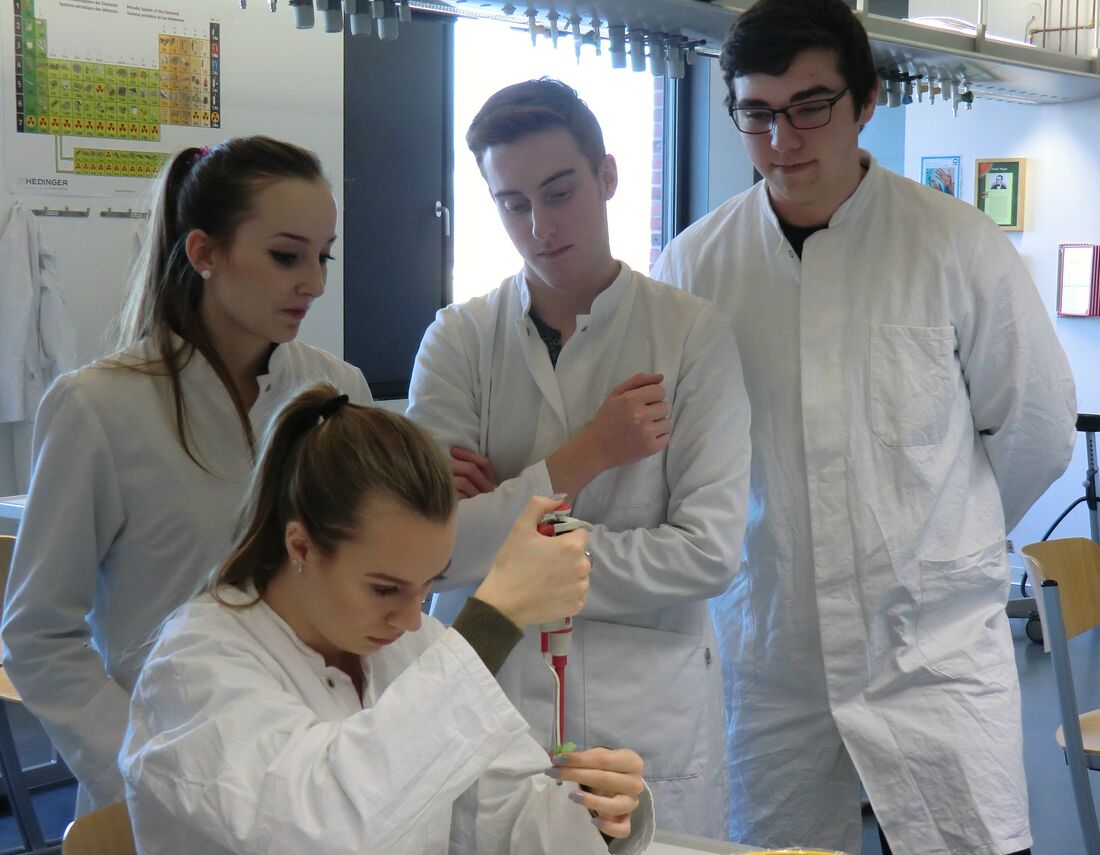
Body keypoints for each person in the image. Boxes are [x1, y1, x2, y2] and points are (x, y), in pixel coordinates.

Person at [651, 2, 1077, 853]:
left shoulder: (953, 244)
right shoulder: (696, 266)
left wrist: (943, 541)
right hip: (772, 651)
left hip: (932, 648)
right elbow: (684, 456)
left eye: (810, 106)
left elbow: (1034, 427)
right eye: (756, 114)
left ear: (867, 99)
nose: (783, 140)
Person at [406, 78, 750, 838]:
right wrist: (588, 454)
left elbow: (708, 553)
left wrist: (508, 527)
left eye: (560, 193)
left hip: (645, 707)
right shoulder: (457, 341)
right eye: (513, 204)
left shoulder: (690, 336)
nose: (540, 226)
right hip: (490, 700)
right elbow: (428, 551)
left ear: (608, 177)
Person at [2, 136, 372, 816]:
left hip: (315, 772)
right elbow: (37, 636)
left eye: (323, 256)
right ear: (204, 252)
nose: (315, 283)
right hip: (160, 782)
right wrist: (144, 766)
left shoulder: (337, 390)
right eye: (286, 255)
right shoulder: (99, 406)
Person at [121, 384, 653, 855]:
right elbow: (324, 828)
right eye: (384, 589)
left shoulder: (406, 646)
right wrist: (495, 619)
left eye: (426, 587)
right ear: (301, 546)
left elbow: (495, 817)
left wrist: (592, 810)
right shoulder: (194, 667)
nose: (410, 621)